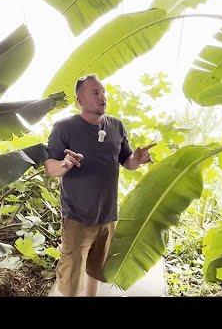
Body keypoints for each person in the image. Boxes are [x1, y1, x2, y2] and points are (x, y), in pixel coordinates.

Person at [44, 74, 155, 296]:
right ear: (80, 100)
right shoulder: (64, 128)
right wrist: (65, 164)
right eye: (95, 92)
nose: (102, 96)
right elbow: (50, 167)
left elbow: (127, 162)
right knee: (72, 274)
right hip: (77, 216)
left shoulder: (116, 126)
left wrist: (138, 159)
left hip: (107, 215)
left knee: (96, 270)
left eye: (103, 91)